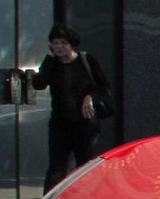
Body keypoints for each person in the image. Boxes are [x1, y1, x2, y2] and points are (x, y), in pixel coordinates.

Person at [30, 24, 110, 190]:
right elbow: (38, 83)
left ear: (71, 43)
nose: (59, 47)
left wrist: (90, 98)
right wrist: (49, 59)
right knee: (56, 167)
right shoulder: (52, 64)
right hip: (60, 123)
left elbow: (104, 87)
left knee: (84, 165)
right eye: (55, 43)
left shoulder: (85, 60)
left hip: (84, 122)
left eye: (63, 43)